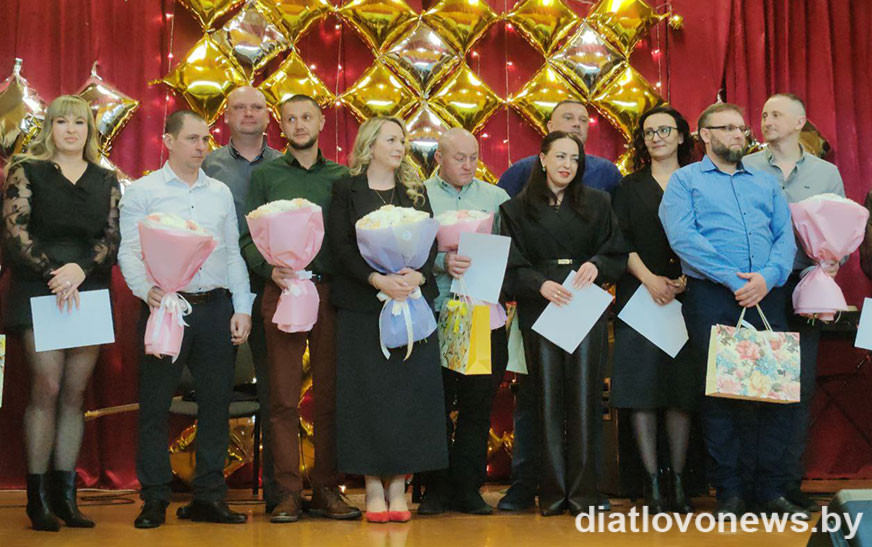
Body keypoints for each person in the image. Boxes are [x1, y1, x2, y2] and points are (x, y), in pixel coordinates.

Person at [659, 103, 809, 520]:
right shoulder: (685, 181)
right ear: (705, 135)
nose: (738, 135)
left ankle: (770, 491)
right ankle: (730, 493)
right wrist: (734, 280)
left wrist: (768, 277)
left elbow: (785, 237)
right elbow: (683, 238)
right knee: (722, 395)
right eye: (727, 128)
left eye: (741, 128)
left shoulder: (764, 182)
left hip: (768, 294)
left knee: (775, 393)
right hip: (714, 295)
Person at [119, 110, 252, 528]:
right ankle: (154, 497)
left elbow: (232, 253)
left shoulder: (220, 192)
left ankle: (209, 496)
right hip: (166, 308)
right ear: (168, 141)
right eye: (192, 138)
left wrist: (242, 307)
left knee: (216, 404)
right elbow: (129, 251)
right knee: (155, 406)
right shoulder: (143, 191)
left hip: (215, 307)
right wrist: (146, 290)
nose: (201, 147)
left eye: (205, 139)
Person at [2, 95, 120, 531]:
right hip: (39, 286)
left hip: (88, 286)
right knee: (47, 386)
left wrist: (80, 269)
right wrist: (55, 273)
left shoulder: (106, 178)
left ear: (90, 130)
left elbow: (111, 239)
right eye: (62, 122)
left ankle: (65, 498)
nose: (71, 130)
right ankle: (36, 500)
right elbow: (15, 231)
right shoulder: (27, 170)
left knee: (74, 394)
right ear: (49, 127)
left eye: (80, 123)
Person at [239, 94, 360, 523]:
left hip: (329, 293)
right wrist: (268, 270)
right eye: (290, 118)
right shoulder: (266, 176)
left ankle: (327, 487)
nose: (299, 124)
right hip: (282, 290)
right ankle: (288, 492)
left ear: (322, 122)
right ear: (282, 126)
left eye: (306, 116)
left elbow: (350, 238)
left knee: (329, 396)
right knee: (282, 397)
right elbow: (247, 237)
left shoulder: (342, 177)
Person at [497, 100, 621, 511]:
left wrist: (597, 264)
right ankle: (551, 493)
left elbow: (616, 252)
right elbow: (510, 264)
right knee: (544, 397)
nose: (567, 164)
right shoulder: (515, 208)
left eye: (574, 158)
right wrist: (540, 284)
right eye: (560, 156)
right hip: (541, 304)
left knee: (585, 396)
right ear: (543, 159)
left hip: (584, 300)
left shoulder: (599, 202)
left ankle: (585, 492)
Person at [327, 117, 448, 523]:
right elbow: (341, 247)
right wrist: (376, 279)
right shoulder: (345, 189)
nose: (400, 146)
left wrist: (418, 276)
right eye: (392, 139)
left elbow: (430, 244)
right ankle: (372, 487)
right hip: (364, 308)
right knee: (367, 397)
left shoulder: (415, 190)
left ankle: (399, 485)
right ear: (370, 145)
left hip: (411, 304)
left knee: (407, 397)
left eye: (403, 140)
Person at [743, 93, 845, 513]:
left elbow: (839, 227)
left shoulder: (826, 173)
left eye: (776, 114)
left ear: (800, 121)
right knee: (758, 386)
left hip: (806, 286)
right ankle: (755, 488)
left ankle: (788, 485)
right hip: (760, 289)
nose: (767, 120)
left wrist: (835, 259)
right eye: (764, 114)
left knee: (798, 389)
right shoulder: (747, 166)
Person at [419, 128, 510, 515]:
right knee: (434, 403)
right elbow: (408, 252)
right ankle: (435, 487)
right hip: (434, 310)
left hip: (481, 313)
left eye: (474, 157)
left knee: (477, 404)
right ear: (438, 158)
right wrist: (443, 260)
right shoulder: (419, 195)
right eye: (459, 158)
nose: (469, 165)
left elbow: (511, 250)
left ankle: (468, 487)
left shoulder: (496, 198)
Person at [610, 106, 697, 513]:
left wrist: (685, 280)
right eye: (649, 132)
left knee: (681, 392)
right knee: (642, 391)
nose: (657, 137)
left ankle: (678, 481)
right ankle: (652, 485)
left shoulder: (698, 181)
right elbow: (620, 240)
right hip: (639, 297)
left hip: (689, 296)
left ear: (681, 136)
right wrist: (649, 279)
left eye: (665, 130)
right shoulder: (629, 186)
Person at [201, 85, 282, 514]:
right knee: (215, 390)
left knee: (275, 389)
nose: (248, 113)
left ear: (268, 117)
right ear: (226, 116)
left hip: (273, 284)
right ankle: (209, 492)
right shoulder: (207, 164)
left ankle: (279, 493)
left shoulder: (284, 165)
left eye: (256, 107)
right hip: (218, 287)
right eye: (239, 107)